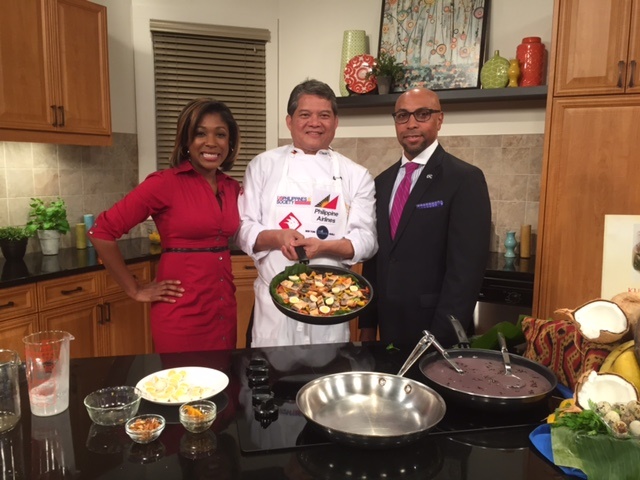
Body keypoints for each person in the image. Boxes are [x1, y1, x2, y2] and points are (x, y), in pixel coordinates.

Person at [88, 98, 242, 353]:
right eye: (200, 133)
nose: (211, 142)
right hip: (181, 314)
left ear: (230, 142)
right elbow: (101, 231)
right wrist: (134, 289)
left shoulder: (233, 188)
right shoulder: (164, 183)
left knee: (223, 377)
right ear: (186, 141)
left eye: (221, 134)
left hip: (223, 312)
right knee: (180, 378)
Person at [236, 79, 378, 347]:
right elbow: (244, 229)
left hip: (333, 303)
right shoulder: (262, 166)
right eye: (305, 115)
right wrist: (278, 237)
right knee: (273, 370)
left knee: (328, 369)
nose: (315, 123)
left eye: (324, 115)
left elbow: (366, 241)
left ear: (336, 122)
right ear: (289, 121)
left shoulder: (356, 175)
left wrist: (323, 247)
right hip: (274, 304)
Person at [359, 87, 491, 348]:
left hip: (436, 330)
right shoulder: (382, 182)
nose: (411, 124)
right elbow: (376, 260)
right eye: (402, 116)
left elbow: (466, 273)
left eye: (422, 114)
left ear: (439, 119)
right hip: (388, 326)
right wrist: (367, 324)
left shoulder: (464, 179)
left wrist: (438, 338)